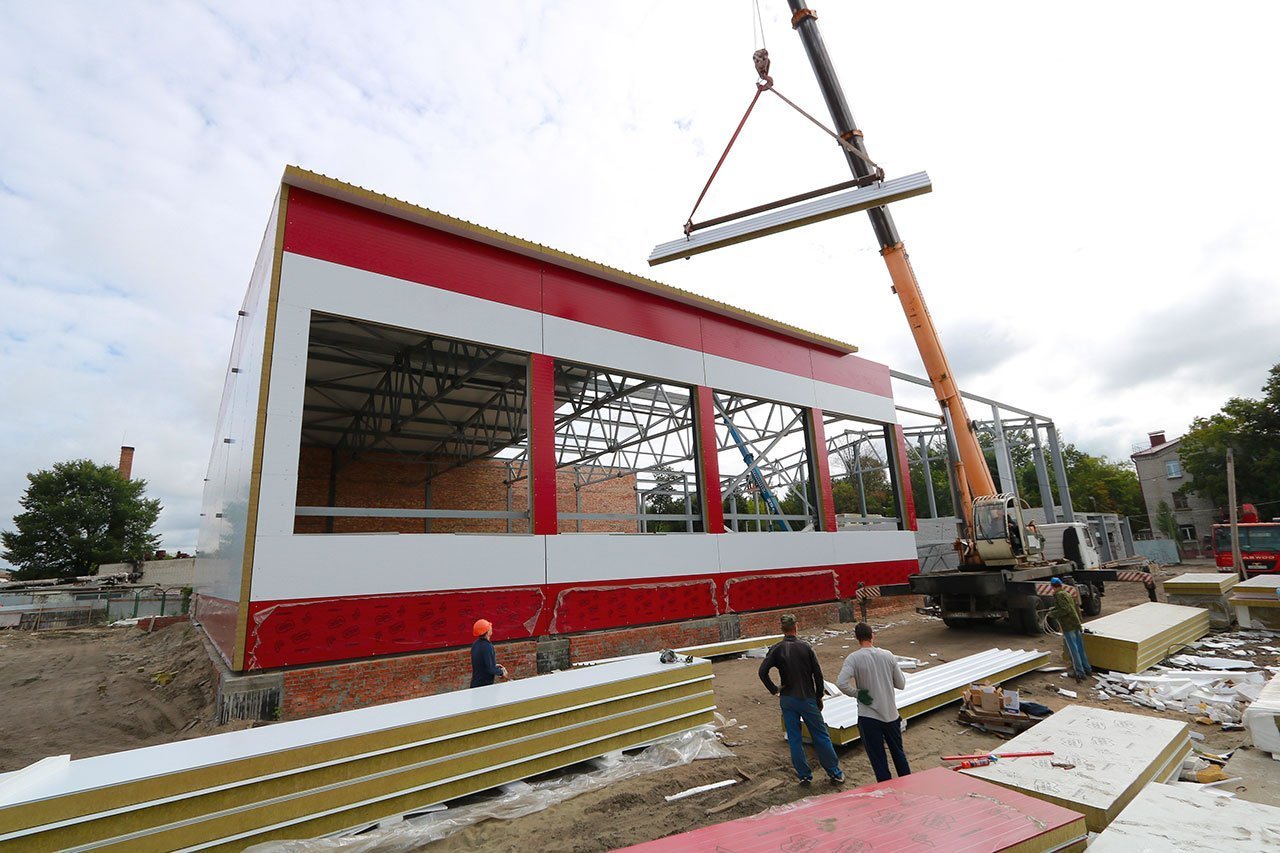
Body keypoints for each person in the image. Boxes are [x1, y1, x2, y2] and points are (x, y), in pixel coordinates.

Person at [758, 614, 844, 785]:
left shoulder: (777, 649)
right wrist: (819, 696)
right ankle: (834, 772)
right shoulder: (806, 648)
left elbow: (762, 672)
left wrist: (774, 690)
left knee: (795, 738)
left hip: (788, 699)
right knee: (820, 736)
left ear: (782, 629)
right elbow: (818, 675)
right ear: (796, 627)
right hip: (807, 698)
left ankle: (804, 775)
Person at [836, 622, 910, 783]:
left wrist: (857, 694)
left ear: (857, 638)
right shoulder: (887, 655)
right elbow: (901, 683)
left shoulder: (854, 658)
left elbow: (841, 683)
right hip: (890, 714)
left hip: (868, 716)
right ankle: (907, 785)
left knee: (878, 759)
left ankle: (887, 790)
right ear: (872, 636)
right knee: (898, 753)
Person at [1050, 578, 1092, 681]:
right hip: (1075, 623)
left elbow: (1065, 609)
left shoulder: (1058, 595)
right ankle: (1087, 669)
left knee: (1073, 650)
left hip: (1068, 625)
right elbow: (1069, 607)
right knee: (1080, 647)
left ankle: (1079, 672)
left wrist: (1053, 614)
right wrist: (1054, 609)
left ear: (1053, 586)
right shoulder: (1066, 594)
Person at [469, 618, 508, 688]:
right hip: (484, 686)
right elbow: (490, 669)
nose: (491, 628)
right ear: (487, 631)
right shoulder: (487, 646)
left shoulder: (475, 644)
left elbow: (481, 664)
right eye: (489, 627)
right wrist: (501, 672)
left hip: (475, 684)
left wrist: (494, 665)